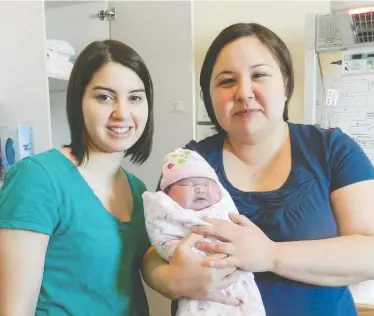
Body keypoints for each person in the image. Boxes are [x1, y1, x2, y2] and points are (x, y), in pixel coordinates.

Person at [145, 22, 374, 316]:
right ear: (209, 96)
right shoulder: (189, 161)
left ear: (286, 82)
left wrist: (271, 255)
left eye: (259, 75)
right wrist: (171, 281)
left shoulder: (332, 150)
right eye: (227, 81)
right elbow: (153, 251)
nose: (244, 92)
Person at [0, 39, 155, 315]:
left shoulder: (138, 190)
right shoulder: (37, 178)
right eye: (104, 97)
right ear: (78, 102)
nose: (122, 112)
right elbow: (14, 309)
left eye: (135, 97)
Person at [142, 148, 266, 316]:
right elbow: (156, 247)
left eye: (208, 184)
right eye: (188, 184)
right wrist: (172, 275)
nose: (200, 189)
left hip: (241, 291)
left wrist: (267, 253)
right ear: (168, 193)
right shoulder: (168, 216)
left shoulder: (225, 212)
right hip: (198, 298)